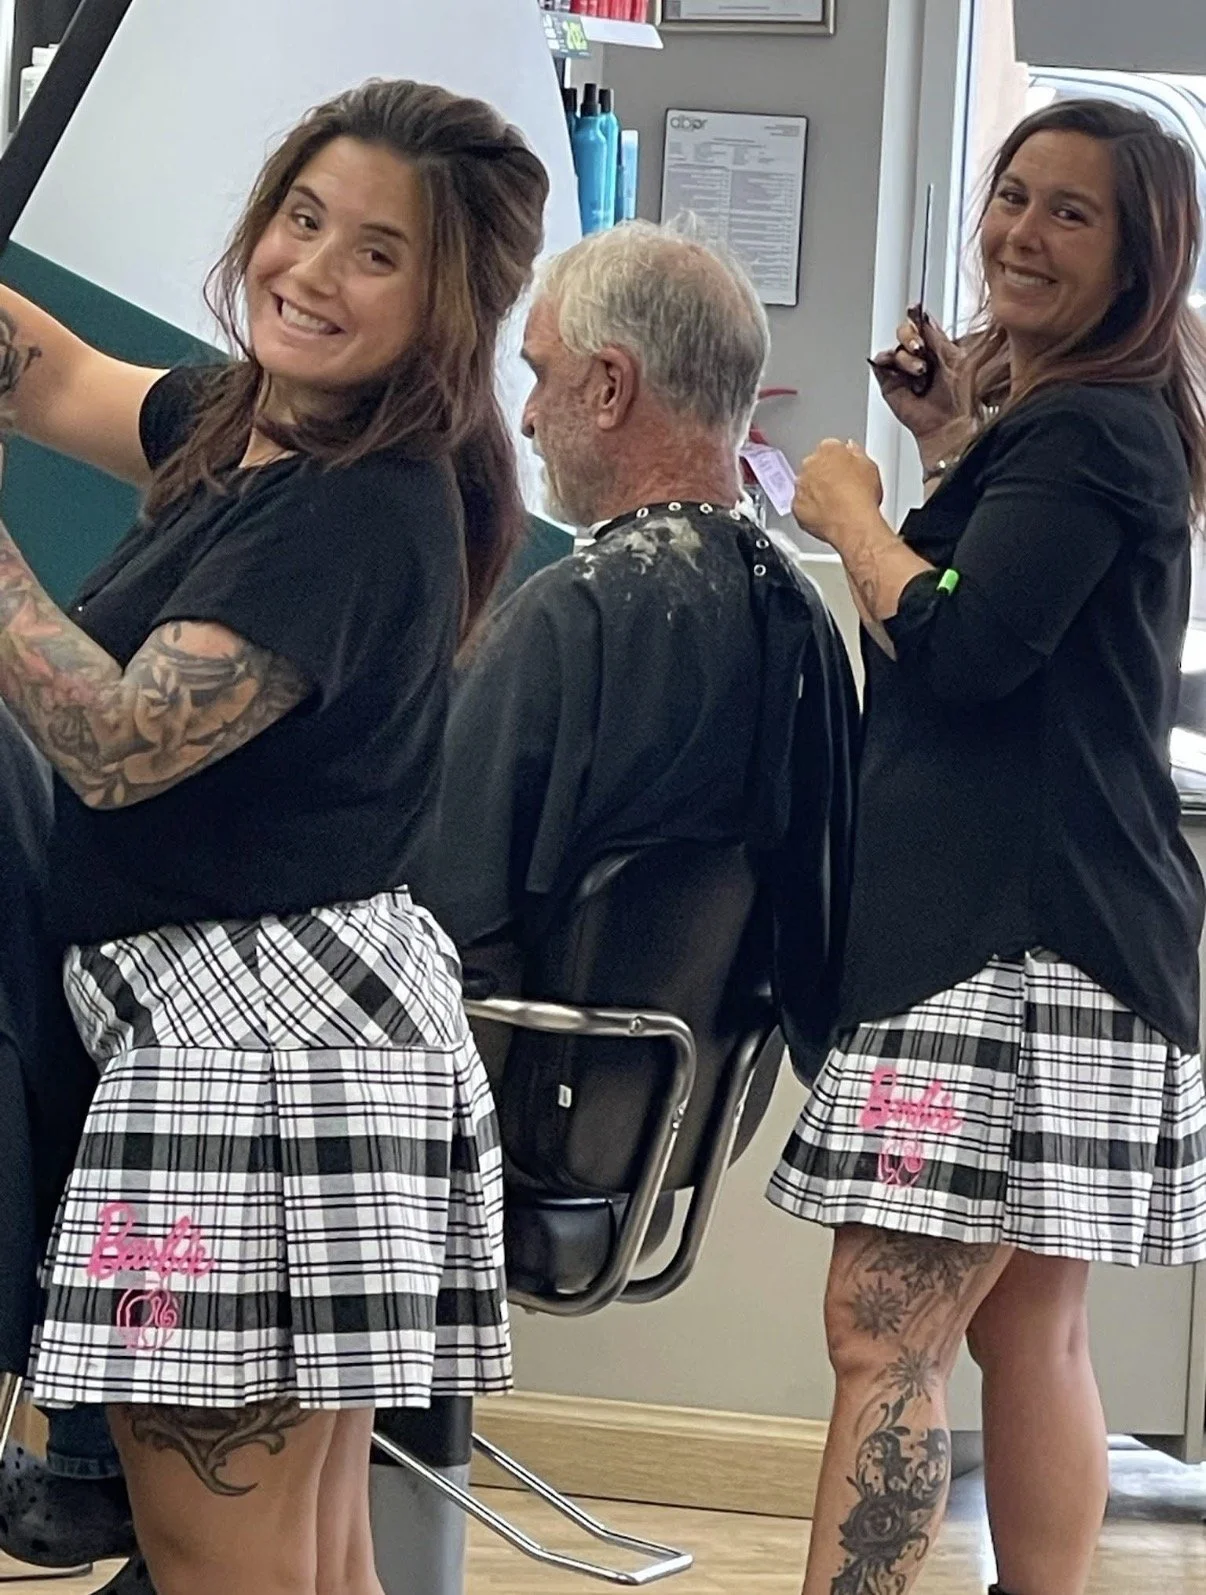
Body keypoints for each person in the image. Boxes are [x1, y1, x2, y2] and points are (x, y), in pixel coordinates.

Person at [0, 78, 547, 1595]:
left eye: (377, 253)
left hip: (254, 1072)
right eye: (302, 219)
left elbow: (111, 745)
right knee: (311, 1560)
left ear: (449, 302)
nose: (310, 270)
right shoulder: (257, 427)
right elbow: (52, 381)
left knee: (224, 1562)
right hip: (320, 1032)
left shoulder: (358, 510)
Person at [767, 99, 1206, 1595]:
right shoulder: (1092, 423)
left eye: (1068, 213)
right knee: (1030, 1327)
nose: (1019, 232)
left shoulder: (1090, 427)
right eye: (1011, 197)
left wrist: (849, 513)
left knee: (883, 1335)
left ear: (1140, 255)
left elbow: (962, 651)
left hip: (1000, 950)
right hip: (1067, 935)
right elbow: (1023, 603)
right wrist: (954, 435)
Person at [424, 221, 857, 1077]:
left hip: (506, 1107)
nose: (529, 415)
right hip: (667, 1112)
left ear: (611, 387)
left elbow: (443, 919)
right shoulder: (803, 622)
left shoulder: (570, 620)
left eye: (544, 374)